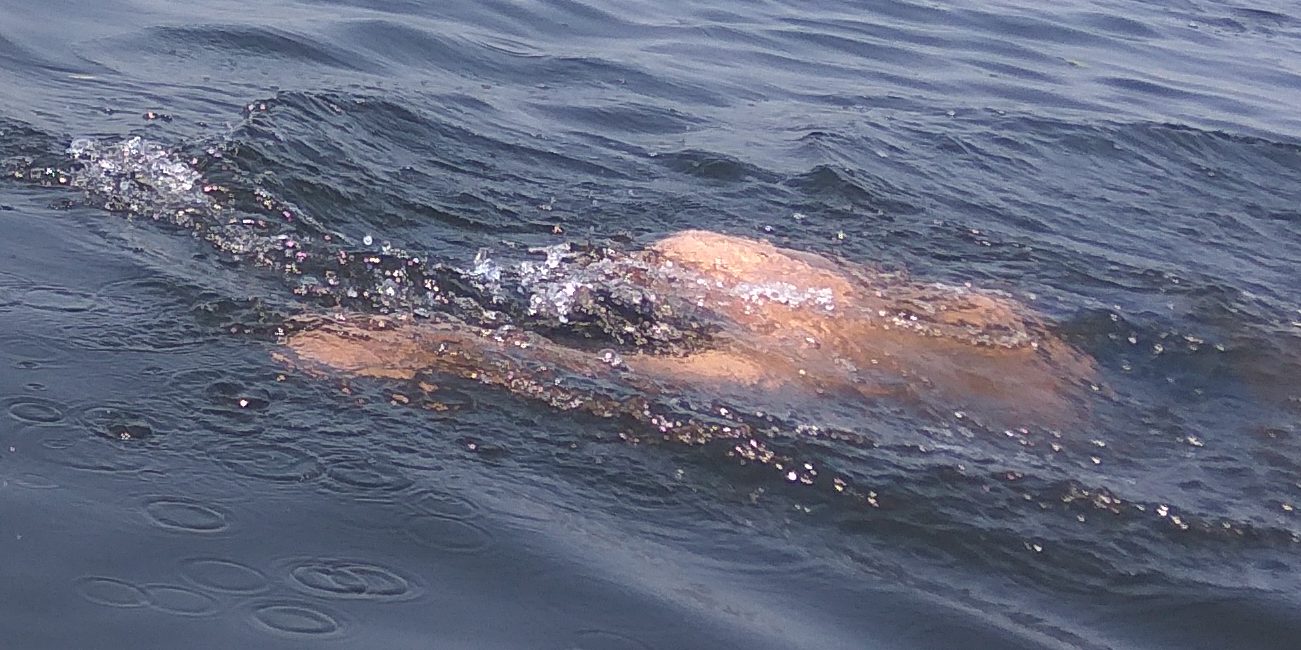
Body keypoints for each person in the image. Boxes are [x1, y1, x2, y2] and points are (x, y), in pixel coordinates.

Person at [282, 229, 1094, 428]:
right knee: (698, 254)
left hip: (1029, 407)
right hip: (1038, 351)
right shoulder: (988, 317)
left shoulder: (767, 360)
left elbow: (600, 375)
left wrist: (428, 344)